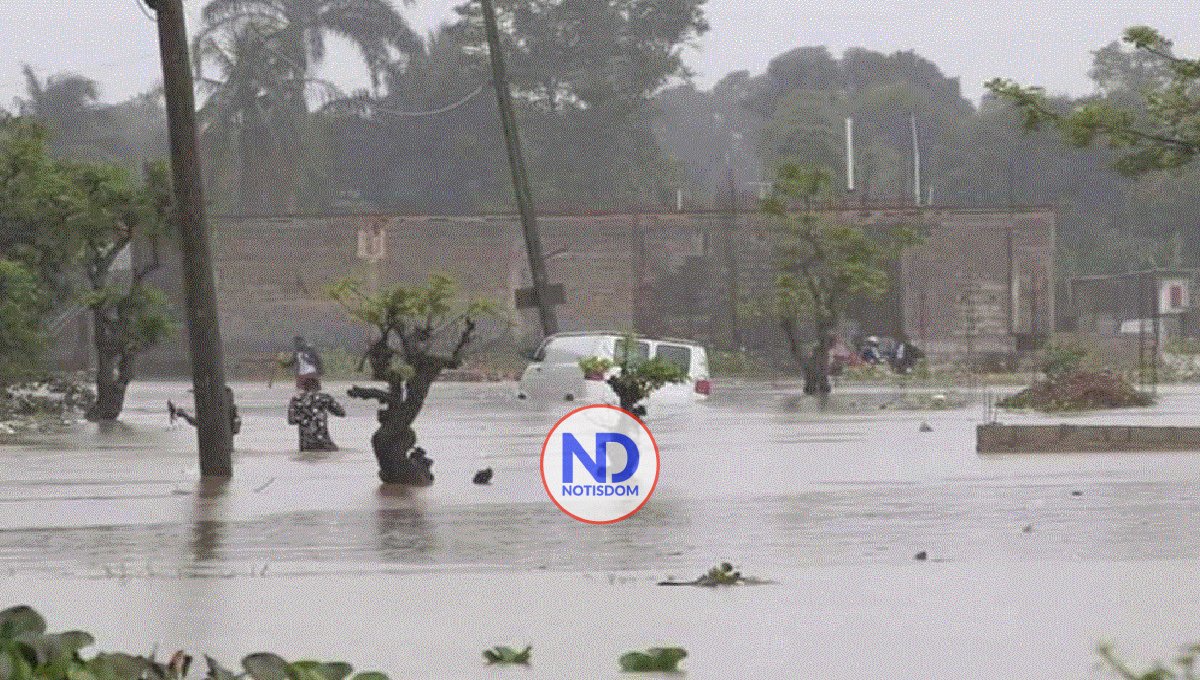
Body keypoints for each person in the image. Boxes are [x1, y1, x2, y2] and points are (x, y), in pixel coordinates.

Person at [287, 380, 346, 452]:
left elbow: (291, 421)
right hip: (325, 444)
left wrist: (305, 416)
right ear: (318, 386)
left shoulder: (296, 400)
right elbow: (342, 413)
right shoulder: (325, 398)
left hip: (306, 445)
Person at [168, 386, 242, 436]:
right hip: (219, 435)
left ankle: (179, 412)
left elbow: (201, 423)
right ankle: (179, 412)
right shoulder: (228, 407)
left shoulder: (227, 408)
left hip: (219, 437)